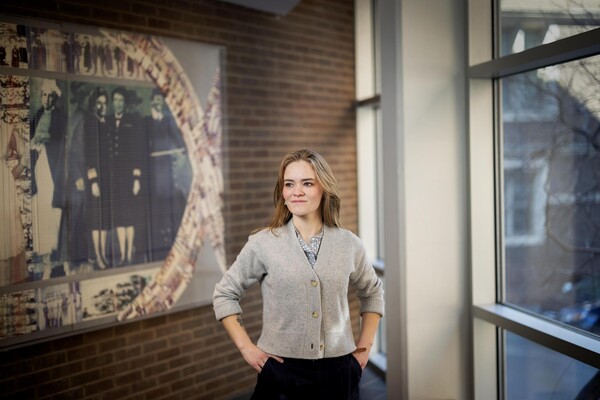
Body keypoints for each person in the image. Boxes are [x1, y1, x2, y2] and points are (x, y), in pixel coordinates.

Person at [213, 149, 385, 400]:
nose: (297, 192)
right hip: (281, 373)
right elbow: (224, 294)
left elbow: (372, 292)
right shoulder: (263, 243)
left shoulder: (349, 244)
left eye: (307, 183)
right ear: (282, 192)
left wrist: (365, 348)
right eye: (289, 184)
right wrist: (246, 348)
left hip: (340, 372)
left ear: (323, 188)